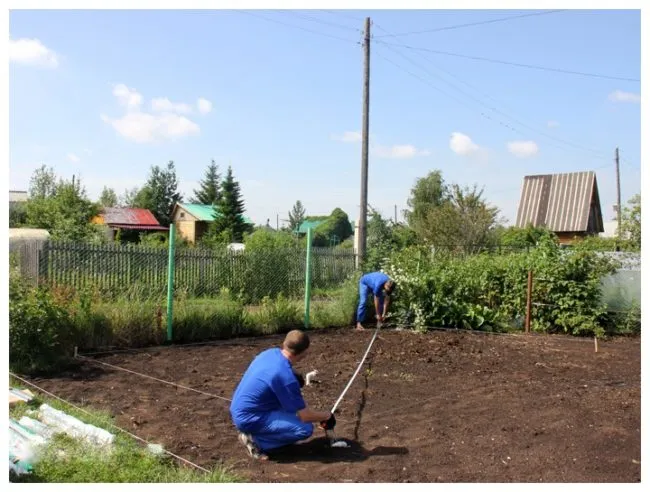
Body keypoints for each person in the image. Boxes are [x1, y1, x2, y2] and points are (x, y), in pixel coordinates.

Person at [229, 330, 336, 460]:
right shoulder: (286, 378)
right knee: (305, 429)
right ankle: (256, 441)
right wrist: (326, 415)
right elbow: (305, 416)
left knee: (293, 411)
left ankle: (260, 434)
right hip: (250, 417)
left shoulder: (269, 353)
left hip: (240, 407)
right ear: (304, 352)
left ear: (285, 343)